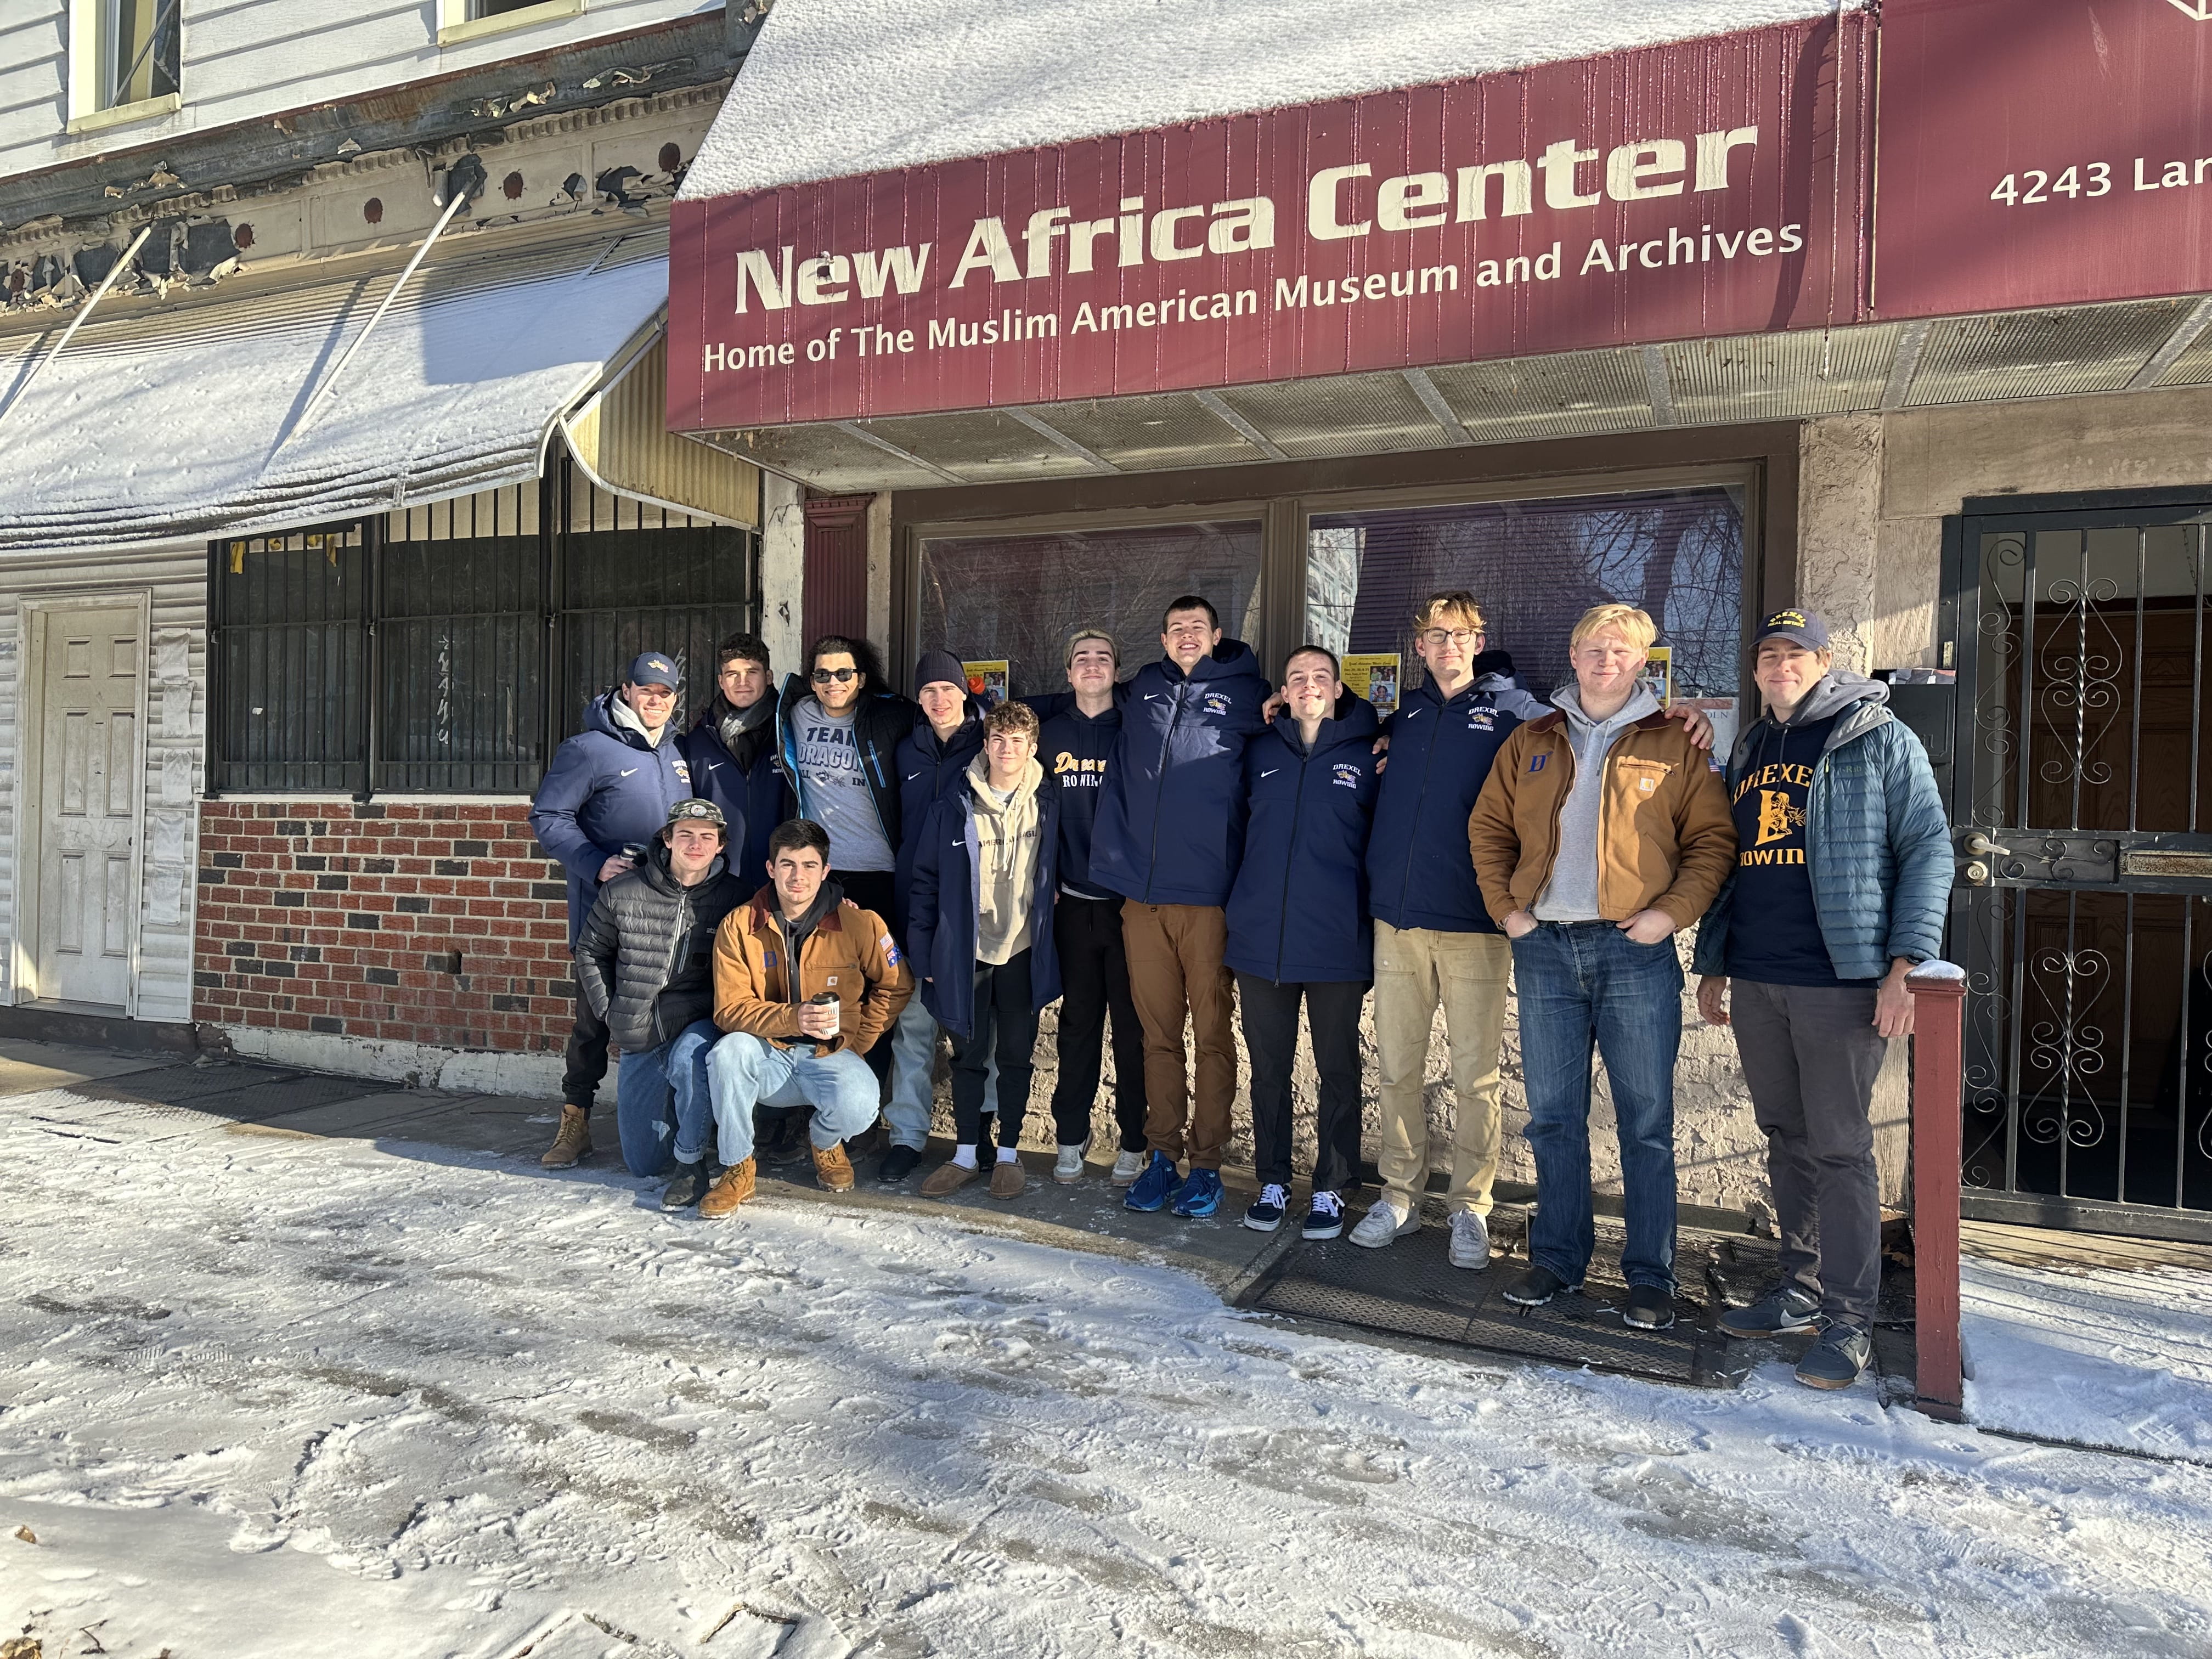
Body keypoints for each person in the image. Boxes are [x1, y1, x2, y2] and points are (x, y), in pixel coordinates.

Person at [1694, 610, 1950, 1390]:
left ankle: (1848, 1318)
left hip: (1840, 979)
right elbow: (1733, 862)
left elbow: (1927, 847)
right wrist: (1714, 962)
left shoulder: (1877, 737)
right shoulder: (1752, 746)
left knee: (1841, 1147)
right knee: (1785, 1133)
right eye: (1768, 656)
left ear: (1827, 662)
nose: (1780, 668)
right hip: (1761, 974)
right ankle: (1797, 1288)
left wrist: (1906, 966)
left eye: (1794, 656)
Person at [1469, 603, 1735, 1330]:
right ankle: (1557, 1259)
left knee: (1646, 1123)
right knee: (1555, 1120)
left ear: (1643, 661)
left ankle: (1651, 1274)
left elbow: (1712, 841)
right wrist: (1508, 912)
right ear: (1573, 653)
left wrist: (1669, 916)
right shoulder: (1534, 737)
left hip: (1634, 952)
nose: (1604, 658)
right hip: (1546, 950)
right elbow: (1488, 827)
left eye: (1620, 649)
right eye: (1592, 646)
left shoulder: (1676, 742)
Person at [1351, 592, 1548, 1260]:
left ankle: (1471, 1206)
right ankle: (1399, 1196)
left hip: (1475, 923)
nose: (1448, 645)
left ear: (1478, 639)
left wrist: (1681, 723)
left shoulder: (1517, 712)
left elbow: (1591, 737)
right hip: (1399, 923)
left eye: (1460, 634)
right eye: (1436, 635)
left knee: (1476, 1076)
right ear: (1420, 646)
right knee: (1398, 1068)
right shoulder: (1404, 712)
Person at [1090, 595, 1269, 1220]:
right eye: (1176, 630)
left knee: (1214, 1036)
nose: (1187, 636)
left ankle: (1209, 1165)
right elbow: (1080, 711)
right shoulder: (1143, 689)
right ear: (1163, 640)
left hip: (1210, 898)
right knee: (1157, 1036)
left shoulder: (1252, 695)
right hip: (1142, 898)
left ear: (1218, 635)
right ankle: (1162, 1154)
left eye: (1198, 627)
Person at [1223, 647, 1380, 1240]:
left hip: (1336, 940)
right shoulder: (1258, 751)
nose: (1309, 686)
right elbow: (1233, 831)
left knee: (1337, 1068)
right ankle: (1273, 1179)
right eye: (1297, 679)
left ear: (1339, 689)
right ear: (1282, 693)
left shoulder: (1370, 753)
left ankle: (1333, 1187)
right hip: (1261, 940)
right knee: (1269, 1069)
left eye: (1321, 677)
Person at [527, 650, 696, 1169]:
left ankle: (673, 1123)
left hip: (665, 915)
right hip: (606, 915)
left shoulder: (674, 752)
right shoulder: (588, 750)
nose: (655, 700)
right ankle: (574, 1122)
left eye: (665, 693)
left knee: (669, 1015)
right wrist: (594, 863)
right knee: (593, 1023)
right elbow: (549, 816)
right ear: (625, 690)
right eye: (646, 690)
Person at [697, 819, 912, 1218]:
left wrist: (860, 1042)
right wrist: (795, 1018)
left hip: (829, 1055)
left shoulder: (860, 923)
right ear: (770, 869)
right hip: (766, 1054)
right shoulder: (738, 925)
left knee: (862, 1103)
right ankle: (738, 1168)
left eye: (810, 866)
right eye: (788, 865)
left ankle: (825, 1142)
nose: (798, 877)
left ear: (826, 871)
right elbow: (729, 1010)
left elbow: (896, 984)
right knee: (727, 1053)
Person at [909, 701, 1063, 1201]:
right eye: (998, 739)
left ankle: (1010, 1155)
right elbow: (926, 883)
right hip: (966, 951)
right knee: (968, 1055)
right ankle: (965, 1154)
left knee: (1016, 1056)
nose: (1006, 749)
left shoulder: (1049, 803)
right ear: (986, 745)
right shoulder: (954, 806)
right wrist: (925, 953)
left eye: (1017, 741)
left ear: (1032, 747)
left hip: (1022, 948)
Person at [572, 799, 746, 1203]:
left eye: (708, 837)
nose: (696, 845)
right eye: (685, 835)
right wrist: (609, 1011)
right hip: (640, 1032)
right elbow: (590, 952)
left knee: (691, 1060)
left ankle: (693, 1160)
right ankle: (682, 1126)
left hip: (696, 1022)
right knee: (643, 1163)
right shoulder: (623, 890)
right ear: (667, 839)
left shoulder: (739, 897)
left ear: (721, 845)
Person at [775, 634, 917, 1086]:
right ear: (810, 680)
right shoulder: (794, 715)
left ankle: (864, 1099)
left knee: (876, 990)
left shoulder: (892, 717)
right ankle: (808, 1100)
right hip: (819, 877)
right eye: (822, 674)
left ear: (862, 677)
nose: (832, 682)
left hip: (879, 873)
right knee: (813, 988)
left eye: (843, 673)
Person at [1037, 628, 1149, 1187]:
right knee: (1078, 1025)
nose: (1092, 665)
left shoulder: (1137, 728)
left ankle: (1134, 1141)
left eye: (1103, 657)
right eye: (1081, 657)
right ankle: (1069, 1135)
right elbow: (1031, 812)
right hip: (1073, 904)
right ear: (1069, 671)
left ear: (1116, 669)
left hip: (1130, 907)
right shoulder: (1049, 733)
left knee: (1132, 1029)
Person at [879, 648, 993, 1183]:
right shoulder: (906, 752)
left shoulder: (990, 747)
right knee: (914, 1027)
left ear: (965, 691)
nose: (938, 699)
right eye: (928, 691)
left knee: (978, 1032)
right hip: (914, 906)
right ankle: (906, 1136)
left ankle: (985, 1131)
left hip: (973, 911)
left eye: (947, 689)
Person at [680, 632, 788, 889]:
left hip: (784, 883)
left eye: (752, 672)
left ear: (769, 677)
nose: (743, 682)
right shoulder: (698, 742)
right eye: (732, 674)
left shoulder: (791, 731)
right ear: (721, 681)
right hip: (717, 884)